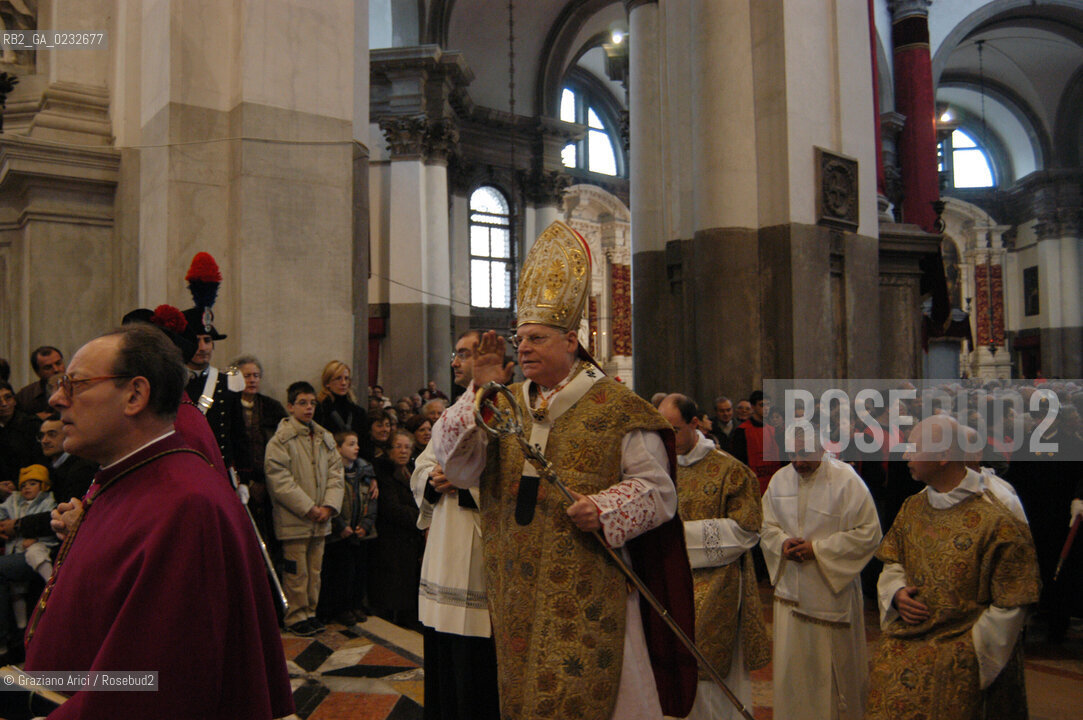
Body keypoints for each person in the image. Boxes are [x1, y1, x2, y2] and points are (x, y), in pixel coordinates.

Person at [438, 221, 696, 720]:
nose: (523, 348)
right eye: (519, 339)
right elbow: (459, 468)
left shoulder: (618, 408)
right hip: (514, 583)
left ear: (572, 341)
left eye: (536, 338)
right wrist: (478, 391)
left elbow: (658, 491)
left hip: (588, 582)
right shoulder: (502, 403)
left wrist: (604, 508)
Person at [24, 324, 294, 719]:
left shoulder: (187, 506)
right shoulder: (127, 475)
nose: (56, 398)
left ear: (135, 395)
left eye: (75, 384)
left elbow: (153, 683)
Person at [866, 415, 1042, 720]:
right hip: (912, 632)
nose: (906, 455)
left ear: (944, 455)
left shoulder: (996, 516)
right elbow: (894, 560)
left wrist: (974, 651)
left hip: (968, 643)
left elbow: (1014, 597)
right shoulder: (913, 507)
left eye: (915, 447)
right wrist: (896, 594)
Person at [658, 394, 769, 720]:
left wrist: (680, 538)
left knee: (711, 686)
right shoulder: (658, 469)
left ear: (694, 424)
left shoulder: (730, 471)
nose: (667, 439)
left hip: (719, 589)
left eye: (674, 430)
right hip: (668, 585)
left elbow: (747, 530)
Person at [760, 428, 882, 720]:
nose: (798, 462)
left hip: (830, 596)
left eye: (805, 453)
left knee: (830, 681)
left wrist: (818, 549)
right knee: (792, 676)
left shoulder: (846, 480)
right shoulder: (780, 480)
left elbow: (869, 533)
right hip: (789, 598)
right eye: (792, 454)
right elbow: (765, 525)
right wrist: (781, 542)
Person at [411, 329, 500, 720]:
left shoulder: (503, 409)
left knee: (475, 666)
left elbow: (509, 480)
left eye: (465, 354)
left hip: (478, 548)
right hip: (443, 548)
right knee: (443, 654)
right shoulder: (451, 414)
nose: (455, 361)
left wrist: (464, 481)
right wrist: (433, 479)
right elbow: (422, 465)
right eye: (456, 353)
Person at [264, 380, 345, 636]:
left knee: (314, 570)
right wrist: (309, 507)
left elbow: (336, 473)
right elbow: (279, 480)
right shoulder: (281, 440)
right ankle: (295, 615)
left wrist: (329, 505)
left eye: (312, 403)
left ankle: (310, 611)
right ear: (290, 406)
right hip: (296, 518)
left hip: (321, 518)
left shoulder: (324, 437)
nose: (308, 408)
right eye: (302, 403)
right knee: (296, 571)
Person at [181, 252, 248, 470]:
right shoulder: (174, 383)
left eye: (208, 340)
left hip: (219, 471)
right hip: (186, 470)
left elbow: (238, 434)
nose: (203, 348)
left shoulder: (228, 381)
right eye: (197, 341)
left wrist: (244, 477)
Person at [317, 430, 377, 625]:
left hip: (360, 530)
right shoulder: (332, 473)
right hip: (340, 532)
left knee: (359, 571)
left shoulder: (365, 473)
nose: (356, 448)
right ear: (338, 447)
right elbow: (330, 500)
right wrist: (340, 525)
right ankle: (341, 608)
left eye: (357, 444)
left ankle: (355, 604)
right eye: (351, 444)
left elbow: (372, 499)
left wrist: (366, 524)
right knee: (342, 573)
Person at [371, 428, 424, 629]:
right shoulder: (383, 472)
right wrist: (422, 517)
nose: (403, 451)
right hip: (391, 535)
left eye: (407, 447)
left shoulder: (412, 471)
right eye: (398, 447)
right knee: (393, 581)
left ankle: (407, 617)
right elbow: (391, 508)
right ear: (389, 450)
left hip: (410, 536)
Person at [731, 391, 782, 495]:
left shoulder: (773, 430)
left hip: (773, 482)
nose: (766, 408)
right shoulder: (742, 431)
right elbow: (739, 462)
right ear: (753, 407)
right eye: (762, 405)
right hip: (753, 483)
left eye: (768, 405)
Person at [313, 360, 370, 450]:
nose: (343, 383)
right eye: (338, 378)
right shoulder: (320, 409)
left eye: (346, 378)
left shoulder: (358, 412)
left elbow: (365, 442)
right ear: (327, 383)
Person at [0, 380, 44, 488]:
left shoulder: (31, 425)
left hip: (30, 486)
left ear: (14, 400)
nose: (4, 404)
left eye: (8, 397)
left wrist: (17, 483)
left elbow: (41, 463)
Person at [15, 346, 65, 417]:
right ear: (37, 372)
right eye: (48, 367)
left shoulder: (78, 386)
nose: (56, 370)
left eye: (58, 363)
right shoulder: (25, 397)